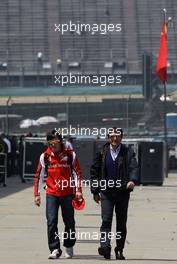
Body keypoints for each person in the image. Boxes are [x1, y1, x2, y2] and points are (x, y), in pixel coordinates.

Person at [90, 127, 139, 260]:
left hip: (122, 192)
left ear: (121, 137)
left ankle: (119, 249)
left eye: (117, 136)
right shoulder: (101, 152)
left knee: (121, 223)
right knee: (106, 220)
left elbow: (133, 167)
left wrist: (132, 181)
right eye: (112, 136)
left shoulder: (127, 151)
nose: (115, 138)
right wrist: (95, 190)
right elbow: (94, 171)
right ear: (108, 137)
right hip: (106, 192)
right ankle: (105, 247)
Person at [34, 129, 83, 259]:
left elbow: (77, 173)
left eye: (55, 143)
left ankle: (69, 245)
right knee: (51, 222)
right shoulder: (44, 156)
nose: (53, 146)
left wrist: (78, 190)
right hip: (51, 193)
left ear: (60, 142)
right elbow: (39, 176)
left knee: (69, 222)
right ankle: (55, 248)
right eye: (50, 143)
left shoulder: (70, 155)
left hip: (68, 193)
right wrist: (37, 194)